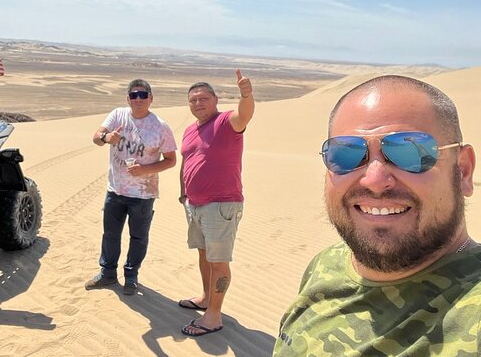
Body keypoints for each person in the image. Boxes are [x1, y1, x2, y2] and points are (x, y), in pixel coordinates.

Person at [274, 75, 478, 355]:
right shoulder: (327, 262)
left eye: (409, 152)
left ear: (463, 171)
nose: (374, 179)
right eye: (346, 154)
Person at [178, 69, 255, 337]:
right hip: (195, 205)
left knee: (219, 261)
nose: (198, 104)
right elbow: (187, 162)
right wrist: (183, 193)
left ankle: (213, 316)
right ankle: (206, 299)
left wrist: (246, 95)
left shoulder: (225, 122)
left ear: (215, 99)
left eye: (203, 99)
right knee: (203, 253)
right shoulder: (190, 130)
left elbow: (244, 114)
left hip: (221, 205)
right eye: (193, 100)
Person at [85, 78, 177, 295]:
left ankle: (131, 276)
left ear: (151, 99)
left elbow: (171, 160)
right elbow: (96, 138)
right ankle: (107, 274)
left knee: (138, 237)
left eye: (143, 95)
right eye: (133, 95)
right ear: (128, 98)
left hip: (143, 194)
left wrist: (145, 170)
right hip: (115, 189)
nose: (138, 99)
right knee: (110, 234)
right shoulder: (118, 115)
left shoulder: (161, 127)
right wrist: (107, 137)